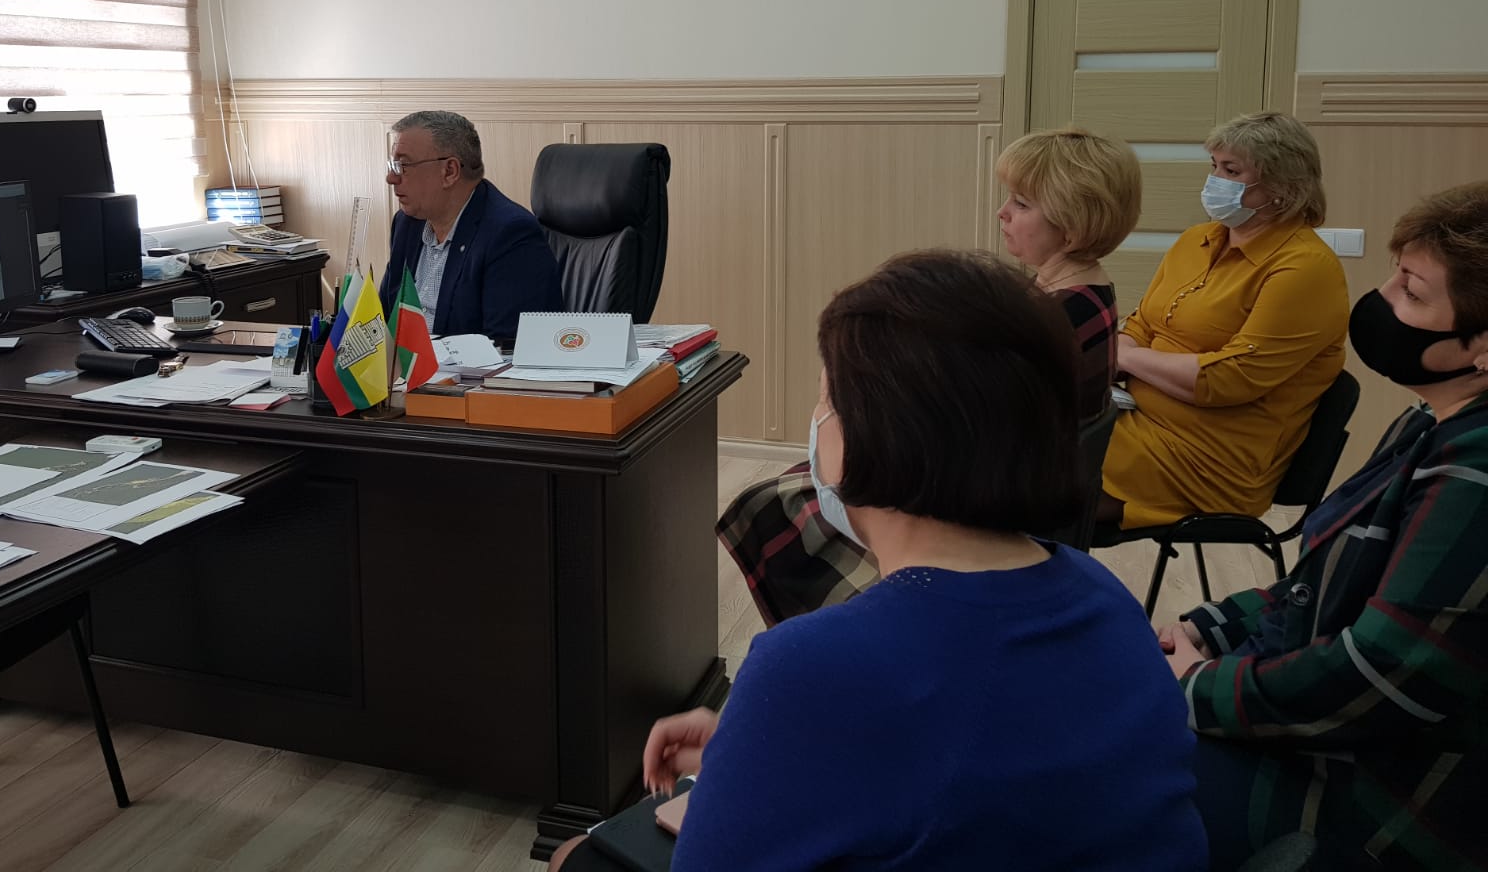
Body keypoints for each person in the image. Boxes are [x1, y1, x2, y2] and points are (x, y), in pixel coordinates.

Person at [553, 251, 1205, 872]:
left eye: (825, 400)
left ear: (872, 437)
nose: (816, 421)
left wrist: (760, 747)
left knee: (576, 855)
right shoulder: (1103, 595)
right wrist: (758, 745)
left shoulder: (812, 665)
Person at [1162, 182, 1488, 872]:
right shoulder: (1427, 424)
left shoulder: (1473, 475)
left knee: (1103, 773)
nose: (1382, 300)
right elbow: (1326, 583)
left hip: (1389, 798)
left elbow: (1380, 674)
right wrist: (1211, 628)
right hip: (1334, 732)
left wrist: (1198, 687)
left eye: (1411, 292)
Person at [717, 127, 1141, 626]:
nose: (1002, 213)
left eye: (1021, 204)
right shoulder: (1081, 291)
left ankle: (855, 640)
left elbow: (968, 423)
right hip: (1010, 489)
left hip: (986, 510)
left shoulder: (1058, 314)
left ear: (1072, 224)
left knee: (771, 503)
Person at [1101, 111, 1347, 528]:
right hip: (1138, 419)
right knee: (1014, 432)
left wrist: (1123, 358)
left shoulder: (1305, 267)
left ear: (1282, 186)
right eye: (1214, 166)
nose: (1214, 180)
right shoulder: (1195, 240)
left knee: (1031, 466)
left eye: (1231, 171)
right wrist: (1124, 351)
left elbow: (1228, 379)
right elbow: (1142, 323)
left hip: (1207, 460)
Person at [376, 110, 562, 344]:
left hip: (463, 368)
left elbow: (506, 346)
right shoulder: (407, 224)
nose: (391, 178)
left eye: (403, 166)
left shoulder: (510, 234)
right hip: (405, 365)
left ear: (450, 171)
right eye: (392, 165)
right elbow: (385, 316)